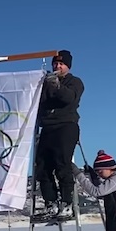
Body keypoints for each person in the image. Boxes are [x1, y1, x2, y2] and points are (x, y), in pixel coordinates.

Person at [35, 50, 84, 220]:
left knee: (62, 164)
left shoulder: (74, 82)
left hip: (66, 125)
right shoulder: (45, 84)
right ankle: (51, 203)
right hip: (47, 127)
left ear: (67, 66)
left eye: (61, 64)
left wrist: (56, 85)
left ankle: (66, 203)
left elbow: (68, 98)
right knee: (42, 166)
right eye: (55, 63)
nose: (57, 66)